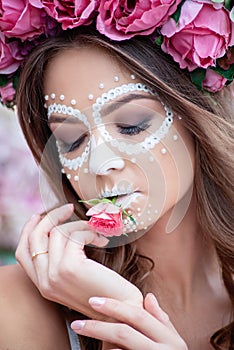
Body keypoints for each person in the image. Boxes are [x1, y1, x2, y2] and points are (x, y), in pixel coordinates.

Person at [0, 2, 233, 350]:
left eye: (131, 125)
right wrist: (109, 315)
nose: (99, 163)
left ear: (197, 117)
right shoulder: (15, 303)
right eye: (72, 140)